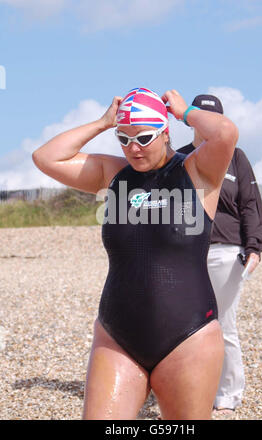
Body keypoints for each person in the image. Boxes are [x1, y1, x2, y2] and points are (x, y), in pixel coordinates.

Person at [32, 87, 238, 420]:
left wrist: (184, 112)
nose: (133, 148)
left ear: (165, 132)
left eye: (143, 137)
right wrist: (102, 123)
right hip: (117, 335)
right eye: (123, 139)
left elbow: (225, 132)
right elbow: (46, 158)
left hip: (189, 338)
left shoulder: (197, 172)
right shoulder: (112, 175)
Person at [178, 94, 262, 412]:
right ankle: (190, 388)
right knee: (187, 325)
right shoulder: (179, 158)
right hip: (187, 254)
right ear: (191, 120)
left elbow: (251, 204)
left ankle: (229, 392)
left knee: (221, 323)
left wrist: (254, 246)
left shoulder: (237, 158)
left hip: (226, 252)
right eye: (200, 116)